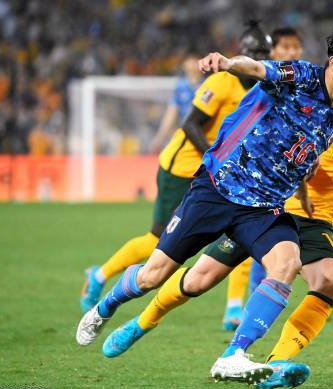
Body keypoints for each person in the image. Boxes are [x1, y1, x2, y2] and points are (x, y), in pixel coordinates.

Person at [76, 11, 333, 385]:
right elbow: (257, 69)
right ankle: (107, 305)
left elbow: (303, 152)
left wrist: (305, 178)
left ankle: (233, 354)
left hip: (263, 209)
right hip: (218, 190)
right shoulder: (302, 76)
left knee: (286, 262)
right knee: (153, 276)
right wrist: (226, 63)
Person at [103, 81, 333, 389]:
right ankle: (143, 322)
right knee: (199, 279)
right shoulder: (312, 95)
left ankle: (275, 362)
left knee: (330, 282)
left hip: (315, 216)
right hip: (263, 206)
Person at [78, 23, 271, 313]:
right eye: (254, 51)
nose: (258, 56)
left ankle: (233, 306)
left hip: (215, 173)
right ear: (242, 53)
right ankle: (100, 275)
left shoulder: (262, 88)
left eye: (263, 53)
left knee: (235, 232)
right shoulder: (221, 83)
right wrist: (215, 154)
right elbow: (191, 123)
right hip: (182, 168)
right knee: (157, 238)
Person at [223, 26, 305, 331]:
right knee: (236, 243)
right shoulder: (261, 83)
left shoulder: (303, 85)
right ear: (274, 52)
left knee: (269, 248)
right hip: (242, 175)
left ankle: (243, 307)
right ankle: (235, 306)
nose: (291, 53)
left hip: (280, 179)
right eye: (285, 47)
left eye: (296, 47)